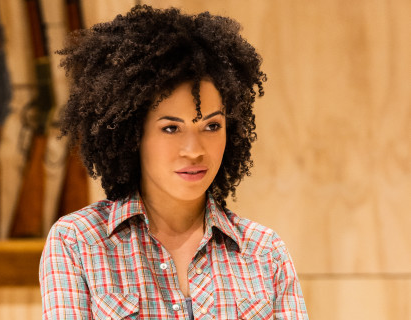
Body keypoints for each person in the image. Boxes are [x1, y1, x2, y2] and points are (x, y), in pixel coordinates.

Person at [39, 5, 308, 319]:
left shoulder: (265, 253)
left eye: (211, 126)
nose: (194, 150)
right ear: (132, 134)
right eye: (171, 128)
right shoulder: (78, 243)